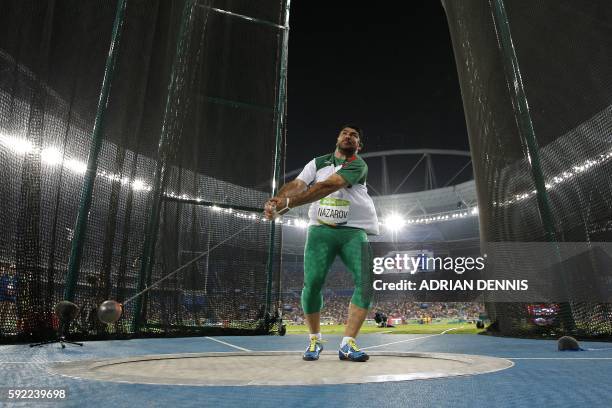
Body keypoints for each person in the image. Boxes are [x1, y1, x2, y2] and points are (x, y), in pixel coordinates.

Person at [264, 124, 379, 362]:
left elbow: (328, 185)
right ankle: (315, 339)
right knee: (312, 283)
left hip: (354, 231)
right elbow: (298, 184)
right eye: (345, 133)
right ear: (337, 138)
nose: (349, 136)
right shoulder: (317, 163)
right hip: (320, 231)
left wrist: (288, 205)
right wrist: (278, 199)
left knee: (366, 282)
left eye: (355, 135)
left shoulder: (358, 164)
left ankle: (348, 344)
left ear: (359, 145)